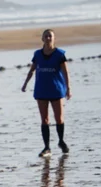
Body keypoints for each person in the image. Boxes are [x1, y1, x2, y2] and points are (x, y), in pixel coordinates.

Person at [21, 29, 71, 158]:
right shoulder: (37, 54)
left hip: (56, 90)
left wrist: (68, 88)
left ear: (54, 38)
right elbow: (32, 70)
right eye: (46, 36)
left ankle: (61, 141)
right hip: (41, 89)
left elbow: (65, 72)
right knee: (44, 120)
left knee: (59, 118)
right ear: (42, 39)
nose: (48, 38)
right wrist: (25, 83)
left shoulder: (59, 54)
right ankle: (47, 147)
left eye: (50, 36)